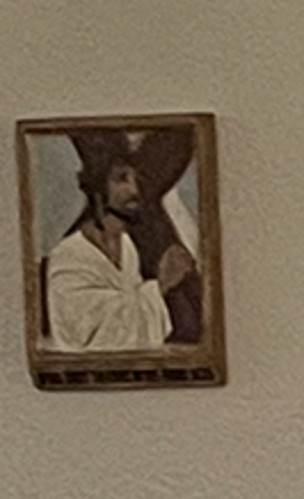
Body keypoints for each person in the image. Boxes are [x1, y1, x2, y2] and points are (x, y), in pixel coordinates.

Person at [41, 130, 196, 352]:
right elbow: (90, 337)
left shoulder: (127, 247)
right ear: (98, 186)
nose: (134, 190)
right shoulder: (68, 257)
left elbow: (137, 332)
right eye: (121, 178)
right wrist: (162, 285)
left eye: (136, 179)